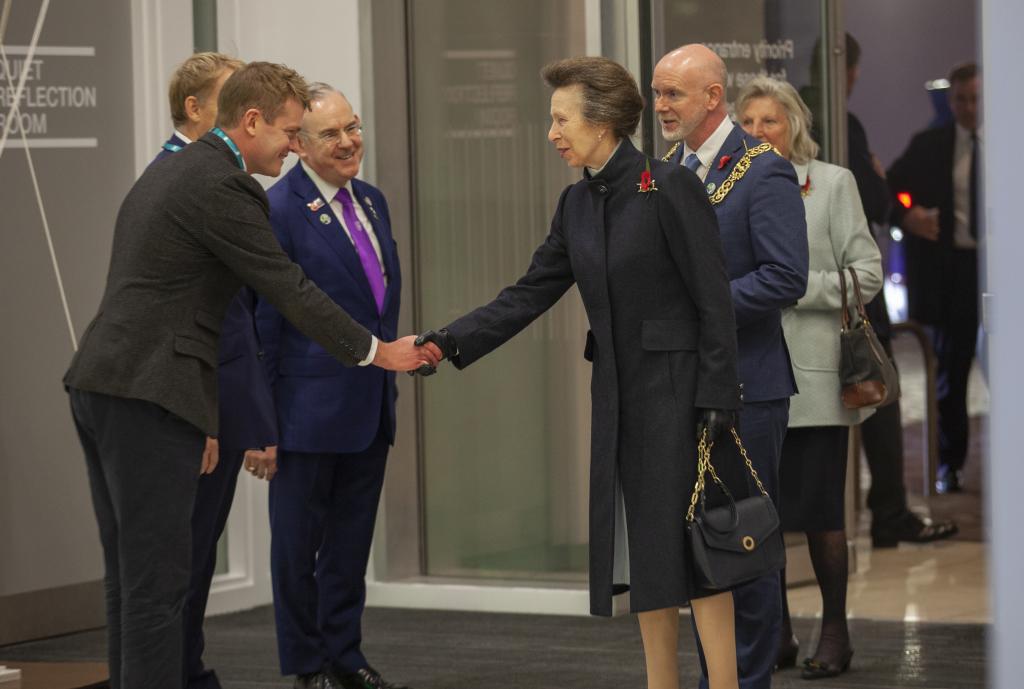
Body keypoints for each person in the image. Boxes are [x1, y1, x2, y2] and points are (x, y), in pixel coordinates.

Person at [63, 62, 439, 689]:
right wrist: (377, 352)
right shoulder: (224, 185)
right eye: (292, 133)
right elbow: (289, 290)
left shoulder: (179, 169)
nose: (296, 148)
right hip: (149, 391)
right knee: (158, 586)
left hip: (106, 383)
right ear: (252, 121)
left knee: (133, 581)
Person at [418, 56, 743, 689]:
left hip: (684, 401)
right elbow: (529, 292)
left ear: (603, 121)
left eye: (561, 118)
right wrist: (446, 342)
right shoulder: (576, 203)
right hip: (621, 400)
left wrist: (717, 399)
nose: (552, 132)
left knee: (701, 556)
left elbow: (715, 302)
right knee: (650, 552)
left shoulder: (667, 185)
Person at [652, 45, 808, 689]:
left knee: (743, 546)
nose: (660, 107)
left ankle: (747, 682)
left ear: (713, 97)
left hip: (749, 387)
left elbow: (784, 277)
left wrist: (699, 310)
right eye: (657, 94)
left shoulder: (762, 171)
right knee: (700, 550)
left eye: (672, 95)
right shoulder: (666, 169)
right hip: (684, 386)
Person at [255, 83, 407, 689]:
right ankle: (305, 664)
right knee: (297, 552)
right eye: (331, 134)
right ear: (297, 143)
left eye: (354, 127)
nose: (349, 142)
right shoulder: (277, 210)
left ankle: (346, 655)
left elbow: (375, 306)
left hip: (368, 407)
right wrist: (259, 423)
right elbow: (263, 322)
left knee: (348, 548)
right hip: (302, 415)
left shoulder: (371, 200)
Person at [737, 76, 883, 680]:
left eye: (769, 121)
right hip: (752, 380)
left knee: (821, 514)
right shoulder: (726, 187)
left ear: (795, 124)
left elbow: (867, 273)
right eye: (747, 123)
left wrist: (792, 289)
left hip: (818, 383)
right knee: (759, 518)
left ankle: (835, 631)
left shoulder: (832, 183)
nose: (757, 133)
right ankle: (777, 634)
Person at [152, 51, 284, 689]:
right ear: (196, 109)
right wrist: (201, 415)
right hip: (190, 403)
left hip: (217, 400)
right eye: (230, 96)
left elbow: (242, 317)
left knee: (197, 560)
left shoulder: (215, 180)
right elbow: (202, 321)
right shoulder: (187, 180)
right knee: (180, 562)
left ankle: (188, 670)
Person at [843, 35, 958, 544]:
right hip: (851, 293)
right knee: (879, 397)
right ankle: (887, 513)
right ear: (849, 70)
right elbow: (873, 195)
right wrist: (877, 180)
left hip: (835, 289)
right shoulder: (839, 121)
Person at [887, 62, 981, 494]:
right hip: (956, 270)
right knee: (953, 371)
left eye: (976, 99)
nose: (969, 107)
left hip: (1001, 266)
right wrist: (910, 216)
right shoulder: (930, 145)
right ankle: (951, 463)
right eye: (961, 99)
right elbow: (891, 187)